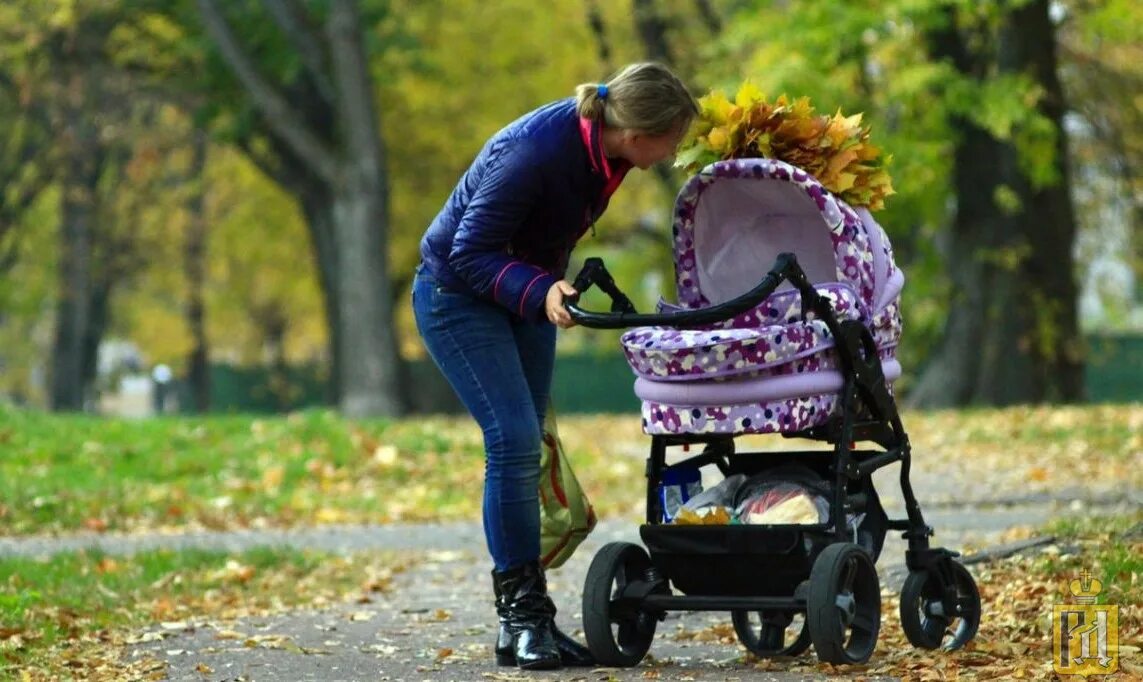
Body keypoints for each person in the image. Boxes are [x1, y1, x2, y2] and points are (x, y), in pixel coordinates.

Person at [412, 62, 697, 670]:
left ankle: (529, 622)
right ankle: (520, 618)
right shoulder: (535, 152)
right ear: (640, 129)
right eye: (672, 141)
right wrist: (539, 290)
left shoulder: (610, 152)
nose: (670, 155)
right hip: (457, 297)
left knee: (533, 443)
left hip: (524, 294)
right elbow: (467, 251)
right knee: (512, 441)